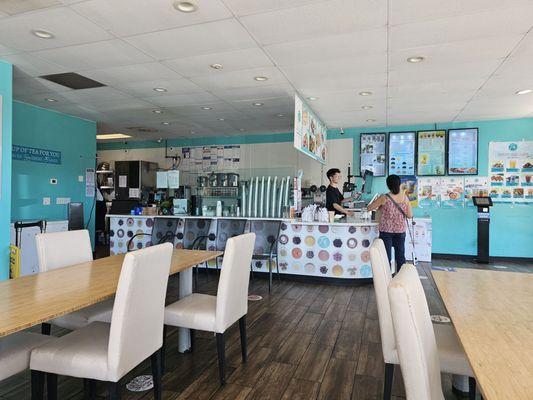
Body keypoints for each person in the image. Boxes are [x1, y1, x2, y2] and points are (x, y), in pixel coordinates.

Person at [367, 174, 413, 270]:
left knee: (386, 257)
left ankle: (386, 279)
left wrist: (378, 203)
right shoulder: (405, 198)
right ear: (399, 184)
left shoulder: (384, 197)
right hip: (400, 231)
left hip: (386, 231)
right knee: (400, 257)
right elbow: (409, 215)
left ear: (388, 185)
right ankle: (401, 279)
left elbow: (369, 208)